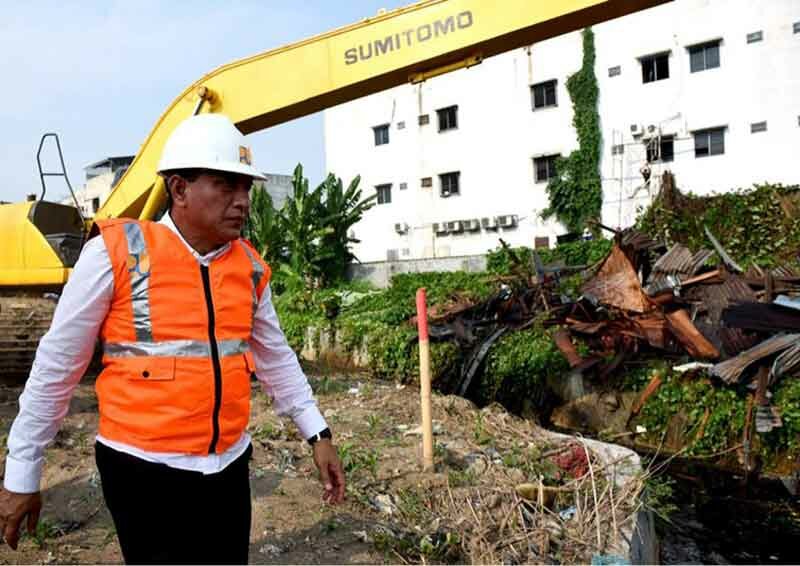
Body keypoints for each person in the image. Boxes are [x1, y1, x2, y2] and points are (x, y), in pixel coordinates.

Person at [0, 113, 344, 564]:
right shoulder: (115, 253)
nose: (242, 201)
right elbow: (57, 366)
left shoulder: (251, 267)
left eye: (247, 188)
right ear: (179, 189)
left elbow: (277, 359)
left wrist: (318, 433)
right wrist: (23, 471)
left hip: (227, 467)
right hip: (142, 472)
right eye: (226, 184)